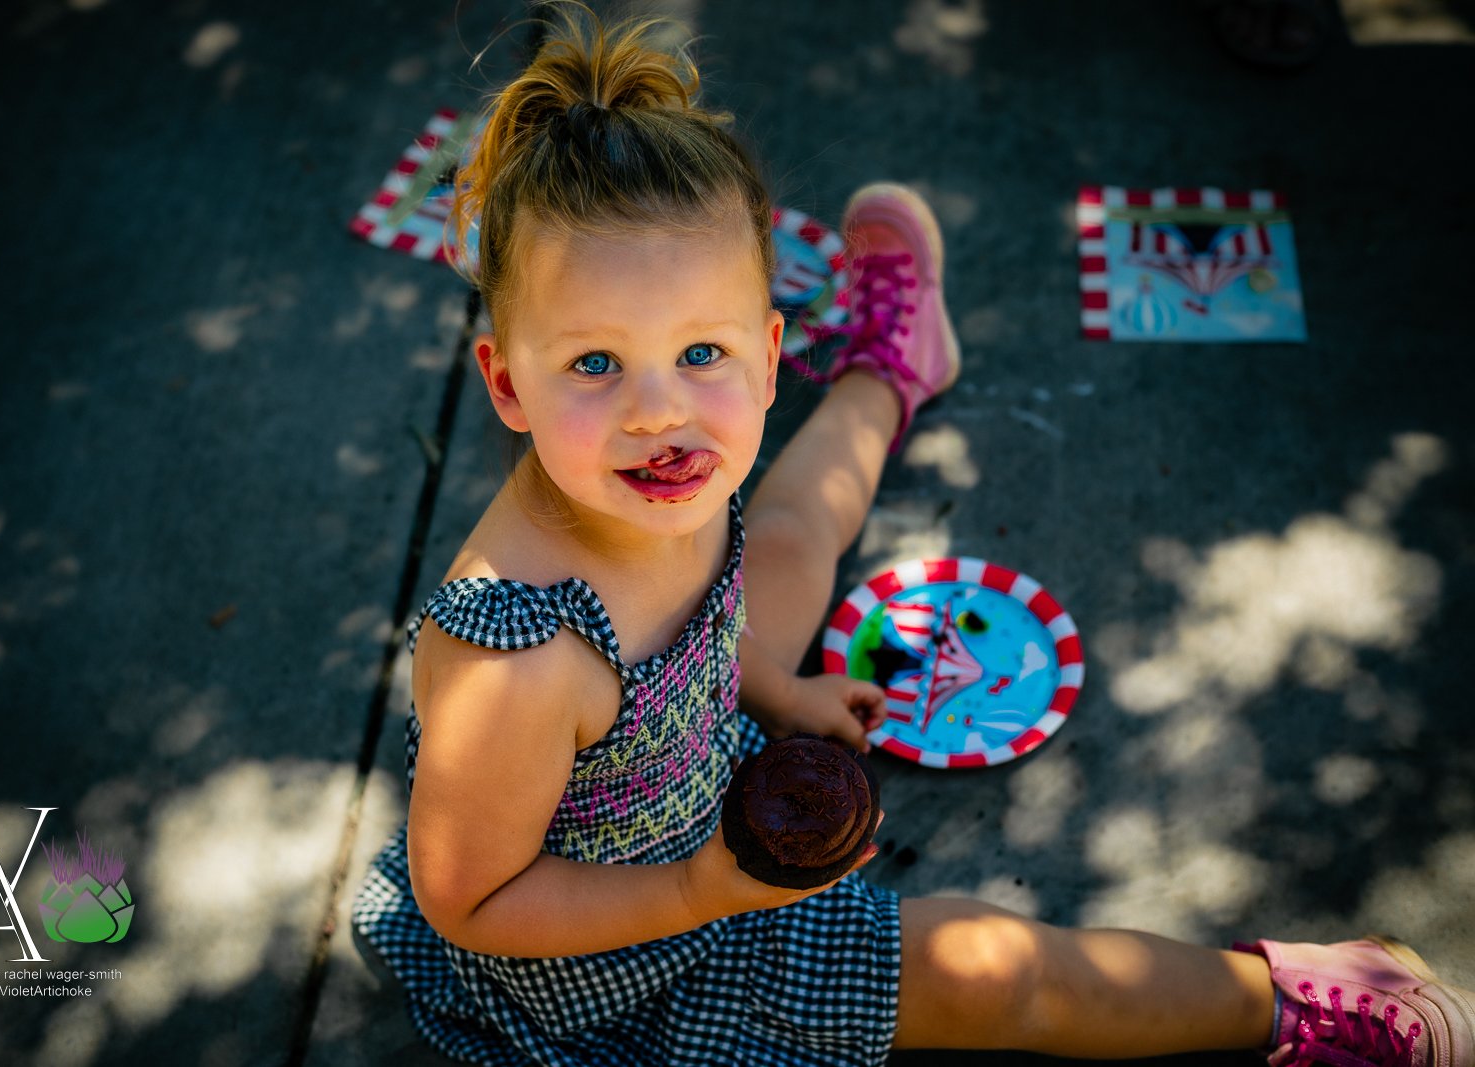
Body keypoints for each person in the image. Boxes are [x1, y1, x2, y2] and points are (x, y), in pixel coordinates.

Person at [352, 8, 1472, 1066]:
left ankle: (887, 367)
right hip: (637, 961)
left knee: (783, 535)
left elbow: (688, 622)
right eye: (594, 363)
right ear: (504, 380)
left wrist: (770, 694)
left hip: (689, 758)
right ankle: (1280, 1003)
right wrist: (699, 889)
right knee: (991, 970)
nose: (659, 410)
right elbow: (473, 900)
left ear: (765, 340)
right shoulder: (519, 658)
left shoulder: (638, 480)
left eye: (704, 352)